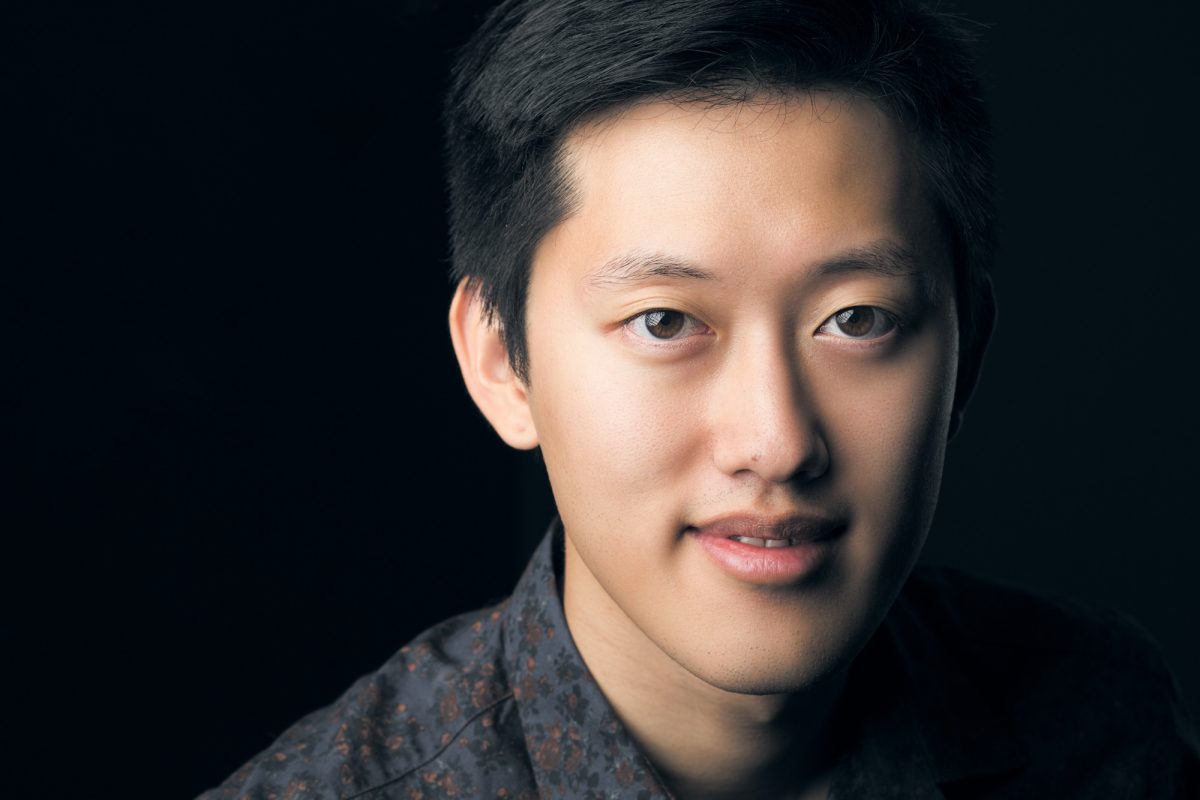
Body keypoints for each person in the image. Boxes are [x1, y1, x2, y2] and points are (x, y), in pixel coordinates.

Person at [199, 0, 1198, 797]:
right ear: (504, 362)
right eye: (666, 322)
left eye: (857, 319)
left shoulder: (1100, 724)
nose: (775, 440)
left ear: (966, 353)